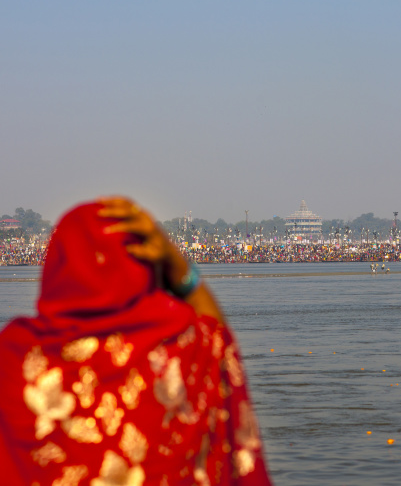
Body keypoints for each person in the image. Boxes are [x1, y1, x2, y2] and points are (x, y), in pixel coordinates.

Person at [0, 197, 272, 486]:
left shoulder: (14, 357)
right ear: (145, 264)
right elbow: (219, 341)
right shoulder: (181, 349)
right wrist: (176, 264)